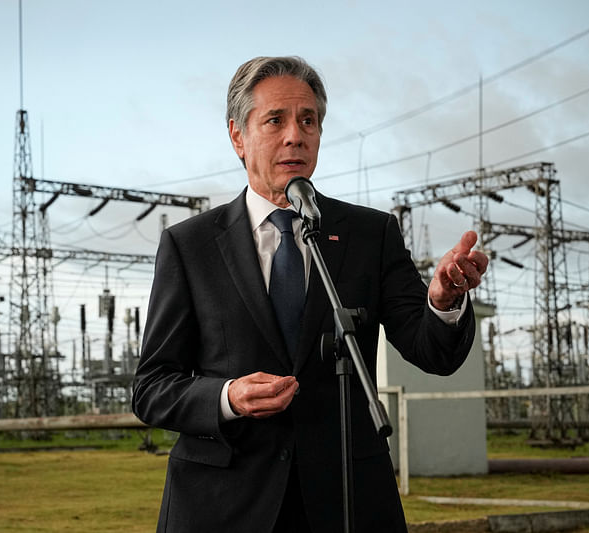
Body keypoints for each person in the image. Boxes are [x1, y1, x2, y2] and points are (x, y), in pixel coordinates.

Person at [132, 56, 488, 533]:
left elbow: (431, 352)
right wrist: (227, 396)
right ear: (238, 136)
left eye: (308, 120)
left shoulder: (370, 234)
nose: (294, 136)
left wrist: (442, 302)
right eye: (275, 120)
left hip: (347, 500)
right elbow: (152, 386)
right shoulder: (189, 245)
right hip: (223, 504)